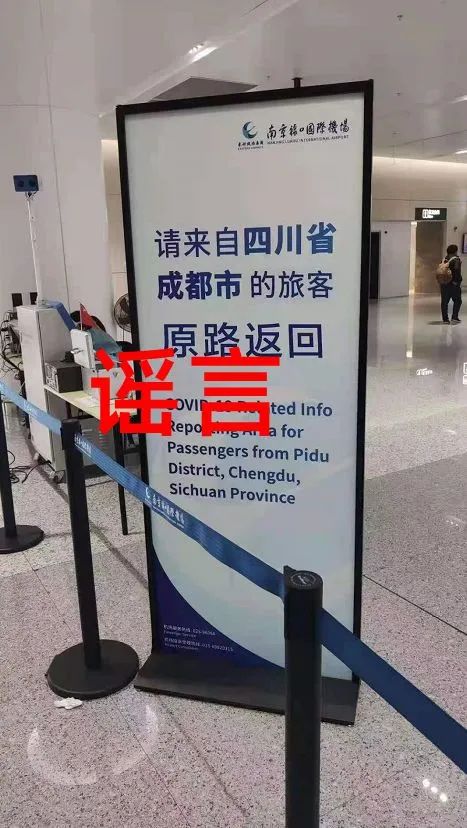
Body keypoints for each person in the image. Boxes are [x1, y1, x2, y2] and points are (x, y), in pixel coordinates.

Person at [440, 244, 462, 324]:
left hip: (443, 283)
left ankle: (445, 319)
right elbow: (456, 270)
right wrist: (456, 281)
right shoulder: (456, 259)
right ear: (455, 251)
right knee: (457, 300)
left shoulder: (444, 259)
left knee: (444, 302)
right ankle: (454, 317)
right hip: (453, 284)